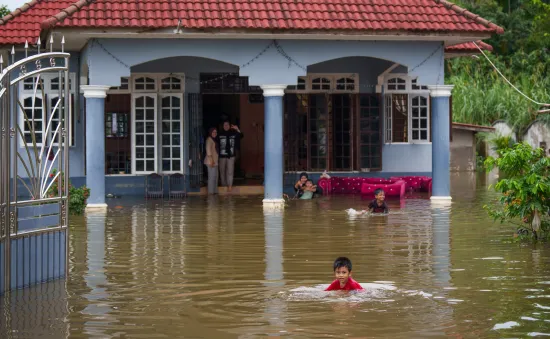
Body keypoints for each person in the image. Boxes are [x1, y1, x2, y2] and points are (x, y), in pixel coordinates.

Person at [218, 121, 243, 192]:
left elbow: (241, 136)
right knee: (222, 171)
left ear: (230, 126)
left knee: (230, 171)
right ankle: (223, 185)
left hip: (231, 156)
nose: (226, 126)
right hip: (222, 156)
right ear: (223, 126)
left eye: (227, 125)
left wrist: (237, 129)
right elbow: (215, 143)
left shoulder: (234, 133)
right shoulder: (219, 134)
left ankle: (229, 186)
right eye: (224, 125)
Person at [204, 127, 219, 195]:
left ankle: (214, 192)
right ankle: (210, 193)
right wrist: (212, 161)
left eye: (216, 132)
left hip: (214, 161)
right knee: (211, 178)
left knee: (215, 177)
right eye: (213, 132)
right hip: (210, 161)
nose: (214, 133)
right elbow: (208, 151)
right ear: (210, 133)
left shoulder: (213, 140)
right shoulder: (209, 140)